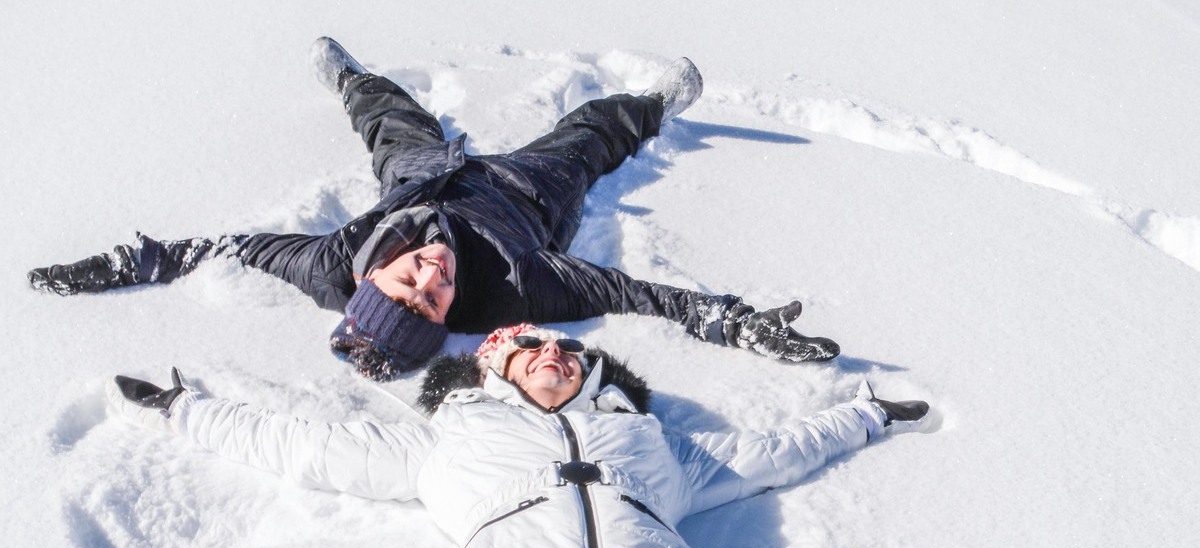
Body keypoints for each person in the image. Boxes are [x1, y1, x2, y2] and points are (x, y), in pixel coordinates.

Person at [28, 38, 840, 381]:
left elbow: (223, 248)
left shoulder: (327, 264)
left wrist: (121, 265)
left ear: (371, 277)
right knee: (589, 137)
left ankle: (348, 78)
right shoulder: (521, 288)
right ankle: (659, 104)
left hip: (420, 183)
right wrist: (731, 323)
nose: (431, 274)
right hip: (526, 194)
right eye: (434, 298)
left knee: (390, 121)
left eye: (406, 283)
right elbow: (635, 296)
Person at [107, 323, 930, 548]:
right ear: (491, 373)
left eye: (566, 350)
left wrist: (861, 416)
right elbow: (306, 447)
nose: (553, 353)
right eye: (525, 347)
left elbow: (769, 454)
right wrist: (187, 410)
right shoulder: (450, 439)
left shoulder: (651, 443)